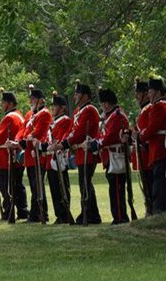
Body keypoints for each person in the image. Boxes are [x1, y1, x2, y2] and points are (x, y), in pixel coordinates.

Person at [54, 80, 102, 224]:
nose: (75, 97)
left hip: (87, 151)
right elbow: (72, 131)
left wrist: (65, 144)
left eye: (77, 94)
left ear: (85, 96)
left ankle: (90, 214)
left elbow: (80, 132)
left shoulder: (89, 110)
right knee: (84, 184)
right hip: (80, 152)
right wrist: (63, 142)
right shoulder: (77, 112)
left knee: (85, 183)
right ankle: (89, 213)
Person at [0, 88, 28, 222]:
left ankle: (8, 211)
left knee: (5, 186)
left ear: (9, 103)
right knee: (17, 185)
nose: (1, 105)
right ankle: (22, 210)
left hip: (7, 157)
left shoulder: (9, 117)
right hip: (17, 156)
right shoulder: (19, 115)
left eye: (3, 102)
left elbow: (1, 138)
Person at [88, 87, 131, 224]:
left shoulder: (117, 116)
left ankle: (120, 217)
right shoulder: (111, 116)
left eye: (102, 103)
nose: (102, 106)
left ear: (107, 103)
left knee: (117, 189)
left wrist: (96, 144)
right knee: (114, 189)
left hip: (116, 157)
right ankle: (118, 216)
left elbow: (111, 137)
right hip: (110, 157)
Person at [10, 85, 50, 223]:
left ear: (41, 100)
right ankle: (35, 213)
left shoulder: (45, 114)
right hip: (28, 154)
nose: (31, 101)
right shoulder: (29, 114)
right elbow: (22, 130)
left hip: (37, 154)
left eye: (33, 98)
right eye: (30, 99)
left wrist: (21, 143)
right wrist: (17, 140)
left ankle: (40, 213)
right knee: (33, 186)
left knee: (37, 185)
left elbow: (38, 133)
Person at [138, 76, 166, 213]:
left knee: (160, 186)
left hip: (161, 151)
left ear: (158, 92)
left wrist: (139, 136)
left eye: (151, 91)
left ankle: (159, 212)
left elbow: (151, 128)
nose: (149, 94)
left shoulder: (160, 106)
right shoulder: (162, 105)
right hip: (161, 150)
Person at [40, 92, 74, 224]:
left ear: (62, 108)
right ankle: (59, 214)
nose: (53, 108)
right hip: (51, 159)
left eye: (56, 106)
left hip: (59, 158)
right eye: (53, 106)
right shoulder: (54, 122)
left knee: (62, 187)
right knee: (54, 188)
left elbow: (61, 138)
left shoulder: (65, 120)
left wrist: (51, 146)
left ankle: (64, 214)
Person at [131, 78, 154, 215]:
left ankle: (151, 210)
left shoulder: (150, 108)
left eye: (138, 93)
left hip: (147, 154)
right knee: (146, 186)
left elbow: (147, 131)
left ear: (146, 93)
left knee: (150, 185)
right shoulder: (144, 109)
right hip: (142, 155)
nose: (136, 96)